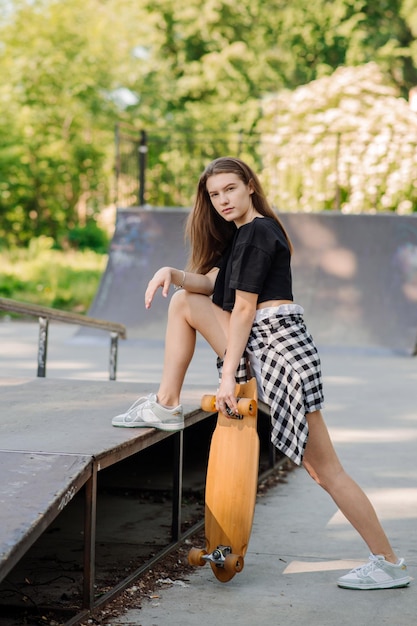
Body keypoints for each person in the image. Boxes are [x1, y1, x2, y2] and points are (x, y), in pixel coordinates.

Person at [111, 156, 411, 590]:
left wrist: (227, 375)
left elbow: (245, 308)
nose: (222, 200)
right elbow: (215, 285)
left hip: (274, 346)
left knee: (327, 471)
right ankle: (388, 562)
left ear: (250, 186)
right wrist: (171, 273)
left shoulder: (256, 233)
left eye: (230, 189)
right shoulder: (244, 236)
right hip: (280, 347)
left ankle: (166, 404)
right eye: (214, 195)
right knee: (325, 470)